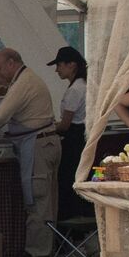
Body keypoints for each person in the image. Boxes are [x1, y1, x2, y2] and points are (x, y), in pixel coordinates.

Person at [0, 48, 61, 257]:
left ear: (12, 63)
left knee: (38, 199)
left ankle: (39, 254)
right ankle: (42, 248)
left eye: (0, 68)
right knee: (44, 199)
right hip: (38, 142)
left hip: (38, 144)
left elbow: (0, 115)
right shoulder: (23, 79)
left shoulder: (24, 82)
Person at [50, 45, 93, 221]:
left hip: (73, 139)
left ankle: (72, 223)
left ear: (71, 65)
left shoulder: (76, 89)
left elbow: (65, 125)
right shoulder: (82, 85)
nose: (56, 70)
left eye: (59, 65)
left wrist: (46, 128)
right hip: (81, 136)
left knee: (69, 181)